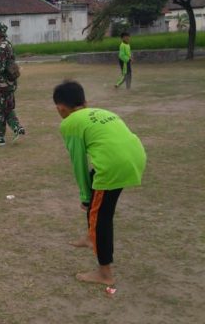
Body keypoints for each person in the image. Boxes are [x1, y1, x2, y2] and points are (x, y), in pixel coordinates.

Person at [53, 80, 146, 285]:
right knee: (99, 202)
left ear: (60, 108)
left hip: (113, 164)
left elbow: (78, 162)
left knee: (101, 216)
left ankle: (105, 274)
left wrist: (85, 196)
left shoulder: (70, 123)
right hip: (134, 156)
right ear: (85, 102)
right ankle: (89, 237)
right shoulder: (100, 112)